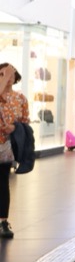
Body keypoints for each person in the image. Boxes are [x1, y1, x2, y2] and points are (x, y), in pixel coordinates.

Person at [0, 62, 28, 240]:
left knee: (3, 183)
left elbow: (26, 123)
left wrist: (15, 127)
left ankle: (3, 221)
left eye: (11, 74)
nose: (8, 77)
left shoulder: (20, 98)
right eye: (3, 74)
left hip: (7, 147)